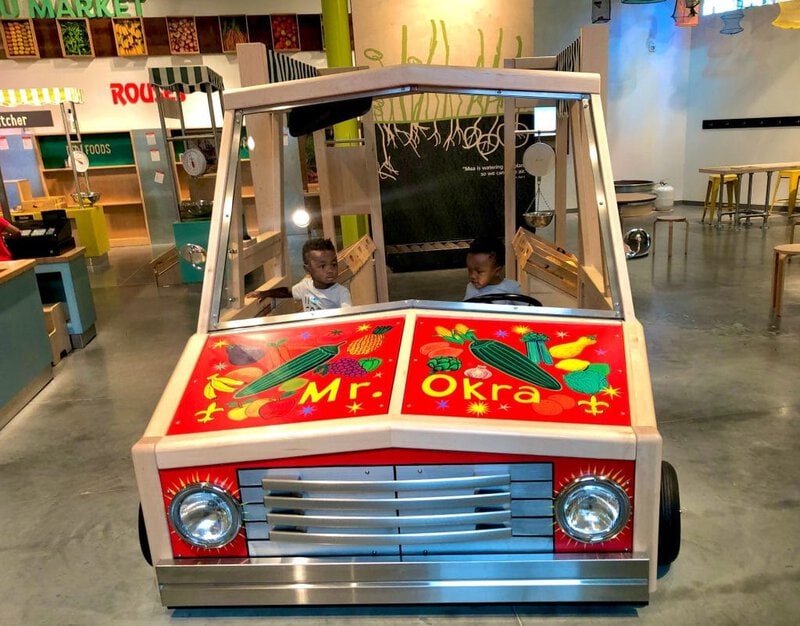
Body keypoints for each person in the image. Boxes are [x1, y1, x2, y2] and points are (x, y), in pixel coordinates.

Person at [251, 237, 351, 311]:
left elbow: (347, 317)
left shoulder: (341, 293)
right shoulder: (305, 286)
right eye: (322, 266)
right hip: (310, 332)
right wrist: (265, 293)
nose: (330, 270)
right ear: (307, 269)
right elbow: (287, 292)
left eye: (333, 264)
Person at [464, 236, 522, 300]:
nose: (472, 276)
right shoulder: (470, 288)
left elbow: (524, 305)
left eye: (479, 272)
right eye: (470, 270)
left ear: (497, 271)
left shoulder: (511, 288)